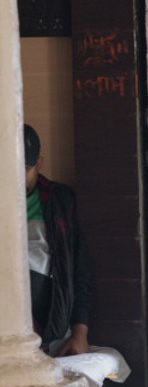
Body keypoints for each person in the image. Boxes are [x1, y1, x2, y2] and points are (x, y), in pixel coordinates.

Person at [23, 124, 92, 355]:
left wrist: (80, 333)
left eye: (25, 168)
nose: (16, 176)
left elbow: (79, 268)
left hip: (48, 315)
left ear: (39, 164)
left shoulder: (59, 201)